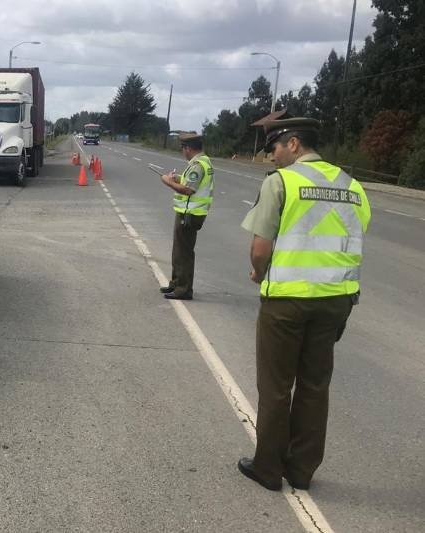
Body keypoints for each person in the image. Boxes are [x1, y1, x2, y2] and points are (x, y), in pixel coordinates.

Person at [237, 118, 371, 491]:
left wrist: (259, 272)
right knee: (315, 385)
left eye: (276, 149)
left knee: (276, 385)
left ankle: (267, 467)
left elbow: (260, 248)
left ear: (293, 144)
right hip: (336, 301)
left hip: (288, 301)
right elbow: (353, 237)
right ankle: (301, 469)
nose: (273, 158)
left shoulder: (282, 182)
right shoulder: (353, 186)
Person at [159, 133, 215, 300]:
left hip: (190, 214)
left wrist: (167, 181)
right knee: (179, 250)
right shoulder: (201, 162)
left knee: (183, 252)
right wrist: (177, 178)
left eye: (183, 148)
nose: (183, 152)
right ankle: (176, 283)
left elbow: (188, 190)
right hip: (189, 212)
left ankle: (183, 289)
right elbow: (189, 182)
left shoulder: (198, 164)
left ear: (188, 148)